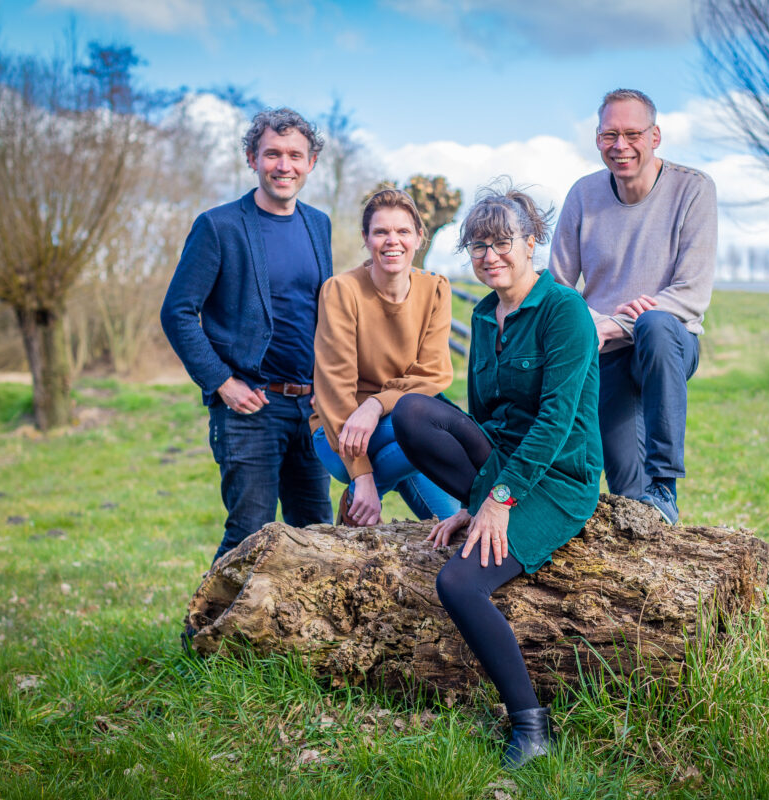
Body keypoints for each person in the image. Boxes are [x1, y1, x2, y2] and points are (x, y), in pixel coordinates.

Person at [392, 184, 602, 769]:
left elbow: (558, 421)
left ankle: (531, 726)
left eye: (502, 242)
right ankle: (477, 502)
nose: (490, 256)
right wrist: (474, 501)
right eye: (478, 245)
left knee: (459, 585)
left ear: (531, 242)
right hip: (502, 462)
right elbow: (482, 414)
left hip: (557, 477)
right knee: (412, 412)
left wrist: (503, 498)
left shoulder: (565, 312)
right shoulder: (485, 315)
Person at [161, 108, 333, 564]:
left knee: (316, 536)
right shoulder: (219, 226)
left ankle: (296, 635)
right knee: (247, 535)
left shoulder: (319, 224)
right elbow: (177, 312)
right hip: (250, 407)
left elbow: (325, 314)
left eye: (295, 155)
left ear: (311, 162)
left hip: (311, 407)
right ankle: (204, 632)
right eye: (272, 154)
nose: (284, 165)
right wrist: (222, 382)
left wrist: (331, 390)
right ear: (251, 158)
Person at [549, 88, 716, 525]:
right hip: (605, 352)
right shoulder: (583, 195)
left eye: (632, 134)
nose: (620, 146)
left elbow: (691, 293)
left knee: (656, 325)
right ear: (597, 139)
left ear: (655, 136)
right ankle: (654, 514)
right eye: (609, 135)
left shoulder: (693, 189)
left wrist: (617, 323)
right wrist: (590, 325)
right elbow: (559, 288)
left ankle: (667, 484)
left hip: (670, 343)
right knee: (629, 498)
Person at [309, 189, 460, 526]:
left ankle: (353, 514)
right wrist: (361, 476)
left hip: (405, 421)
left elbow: (434, 373)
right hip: (342, 431)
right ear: (366, 238)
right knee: (433, 433)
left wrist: (375, 405)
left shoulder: (435, 289)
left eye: (403, 231)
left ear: (419, 237)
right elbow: (334, 389)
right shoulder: (341, 291)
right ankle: (363, 492)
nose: (393, 241)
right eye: (381, 232)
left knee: (451, 527)